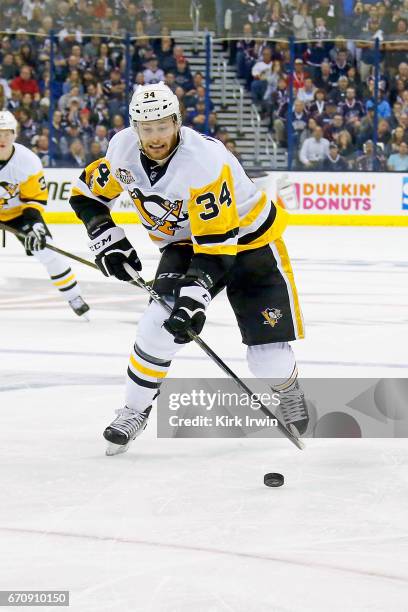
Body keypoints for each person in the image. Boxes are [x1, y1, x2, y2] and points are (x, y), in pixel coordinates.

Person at [69, 83, 307, 456]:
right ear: (134, 127)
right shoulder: (121, 150)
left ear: (177, 121)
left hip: (249, 242)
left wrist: (193, 299)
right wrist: (107, 237)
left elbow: (217, 246)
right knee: (156, 329)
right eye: (146, 128)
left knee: (268, 359)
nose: (155, 136)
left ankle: (287, 390)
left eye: (163, 125)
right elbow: (85, 194)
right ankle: (134, 410)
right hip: (185, 244)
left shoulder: (203, 161)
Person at [0, 111, 90, 318]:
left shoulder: (27, 161)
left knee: (49, 253)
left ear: (15, 134)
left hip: (19, 213)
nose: (2, 138)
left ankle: (74, 296)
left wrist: (35, 226)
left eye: (7, 133)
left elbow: (33, 200)